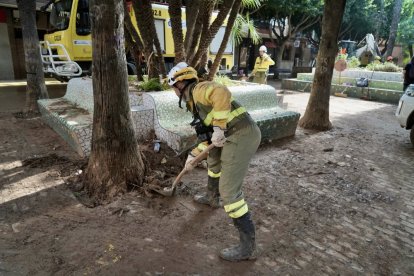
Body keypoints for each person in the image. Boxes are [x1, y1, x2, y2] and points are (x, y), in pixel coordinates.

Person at [167, 62, 261, 262]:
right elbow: (208, 140)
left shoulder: (199, 89)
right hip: (227, 135)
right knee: (213, 160)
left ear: (181, 83)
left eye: (173, 86)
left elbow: (220, 91)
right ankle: (211, 197)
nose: (173, 91)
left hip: (241, 134)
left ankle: (248, 247)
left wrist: (218, 127)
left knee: (229, 192)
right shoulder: (194, 103)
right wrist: (192, 157)